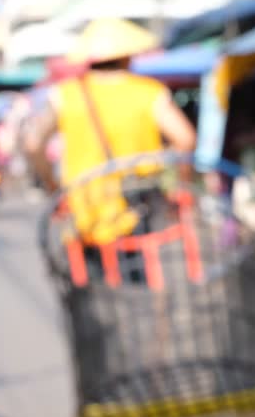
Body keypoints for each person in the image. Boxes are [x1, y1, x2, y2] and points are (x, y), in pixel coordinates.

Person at [25, 18, 196, 249]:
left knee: (85, 276)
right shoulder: (149, 92)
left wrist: (53, 188)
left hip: (83, 206)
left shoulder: (65, 94)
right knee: (136, 271)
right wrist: (182, 186)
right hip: (138, 204)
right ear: (127, 57)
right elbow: (185, 140)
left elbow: (33, 144)